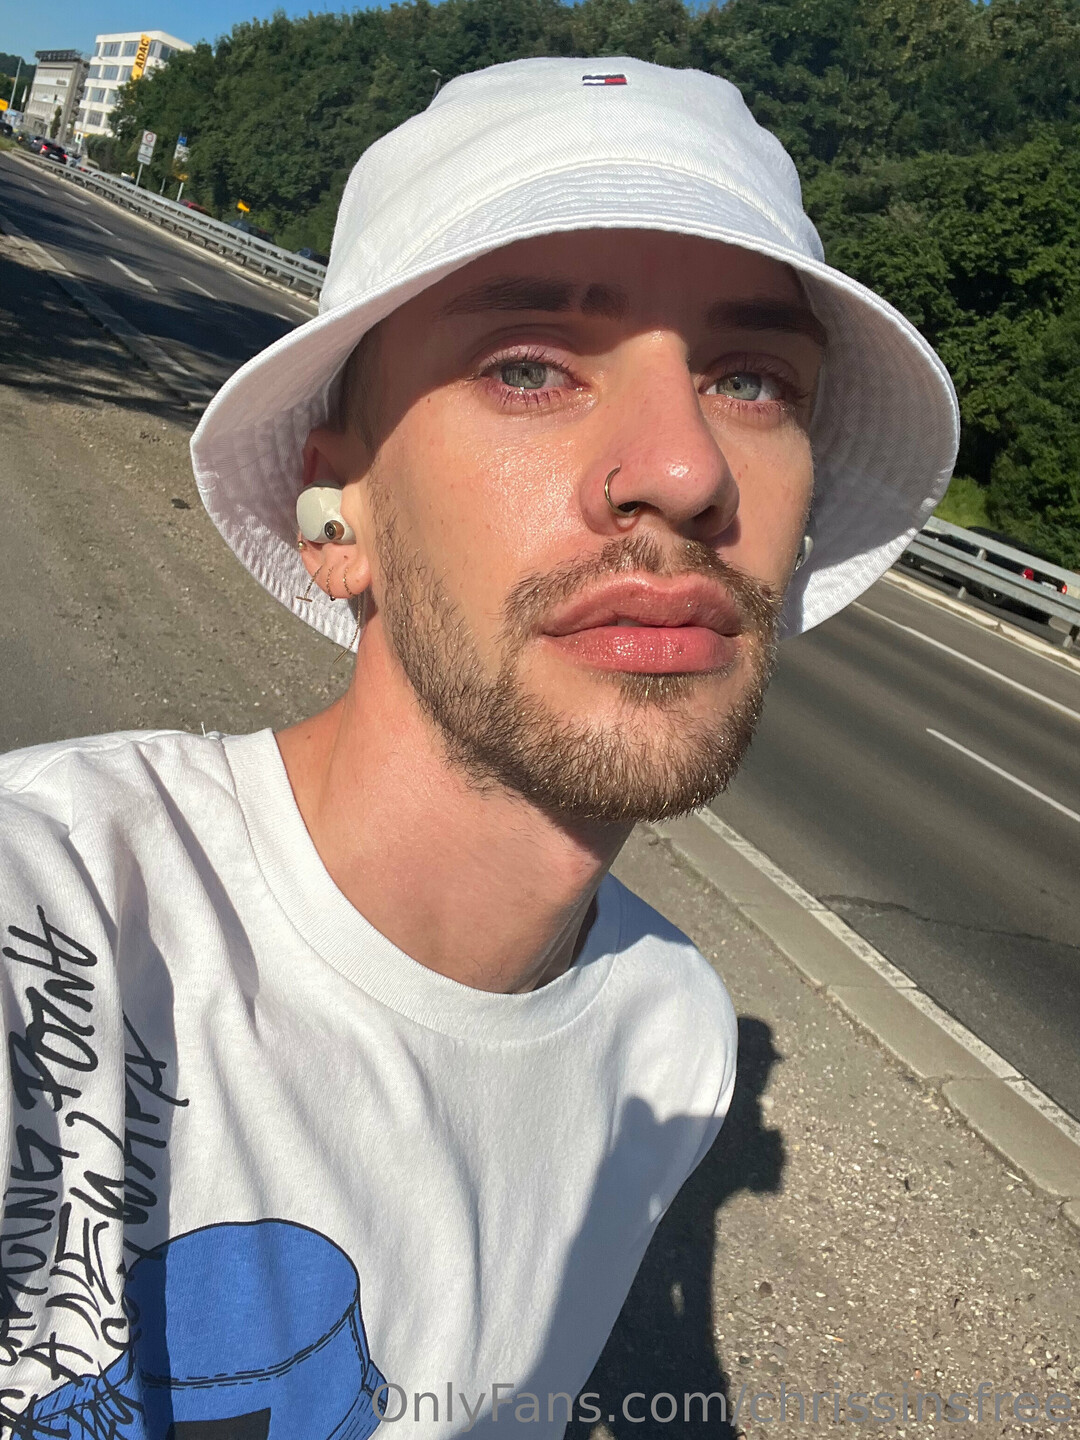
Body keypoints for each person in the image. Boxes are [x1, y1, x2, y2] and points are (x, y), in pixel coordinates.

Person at [0, 56, 958, 1440]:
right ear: (340, 516)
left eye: (753, 382)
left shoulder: (671, 1039)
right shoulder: (63, 907)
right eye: (527, 368)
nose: (687, 472)